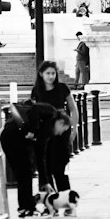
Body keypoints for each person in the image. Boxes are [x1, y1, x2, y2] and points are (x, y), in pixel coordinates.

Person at [0, 102, 72, 218]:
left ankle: (26, 206)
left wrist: (45, 181)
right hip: (12, 135)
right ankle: (26, 206)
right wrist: (32, 130)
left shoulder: (46, 134)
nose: (60, 133)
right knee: (24, 172)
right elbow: (35, 109)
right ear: (61, 122)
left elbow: (40, 155)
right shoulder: (51, 112)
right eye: (63, 129)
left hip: (16, 140)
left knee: (24, 173)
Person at [30, 61, 76, 199]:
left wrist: (73, 129)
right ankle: (52, 200)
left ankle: (67, 198)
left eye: (53, 73)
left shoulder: (62, 88)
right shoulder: (37, 90)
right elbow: (34, 111)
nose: (51, 76)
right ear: (41, 74)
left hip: (61, 129)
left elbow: (73, 108)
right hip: (46, 132)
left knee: (59, 167)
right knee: (46, 166)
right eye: (48, 73)